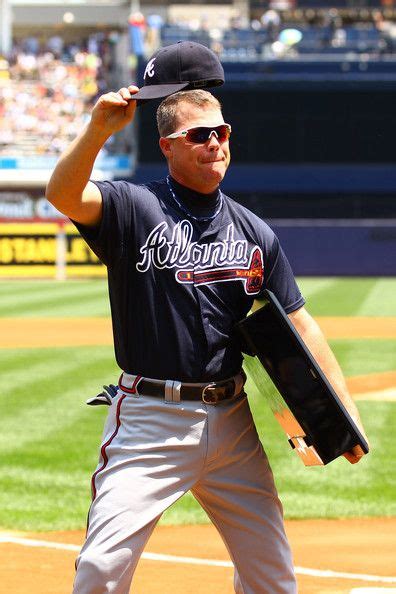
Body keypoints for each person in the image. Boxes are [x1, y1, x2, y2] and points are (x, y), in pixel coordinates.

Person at [45, 85, 369, 594]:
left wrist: (342, 417)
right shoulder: (133, 208)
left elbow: (301, 325)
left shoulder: (254, 232)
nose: (216, 142)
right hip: (151, 420)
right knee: (101, 570)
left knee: (272, 575)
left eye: (223, 132)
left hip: (232, 419)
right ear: (168, 145)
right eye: (201, 135)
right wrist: (98, 130)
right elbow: (64, 194)